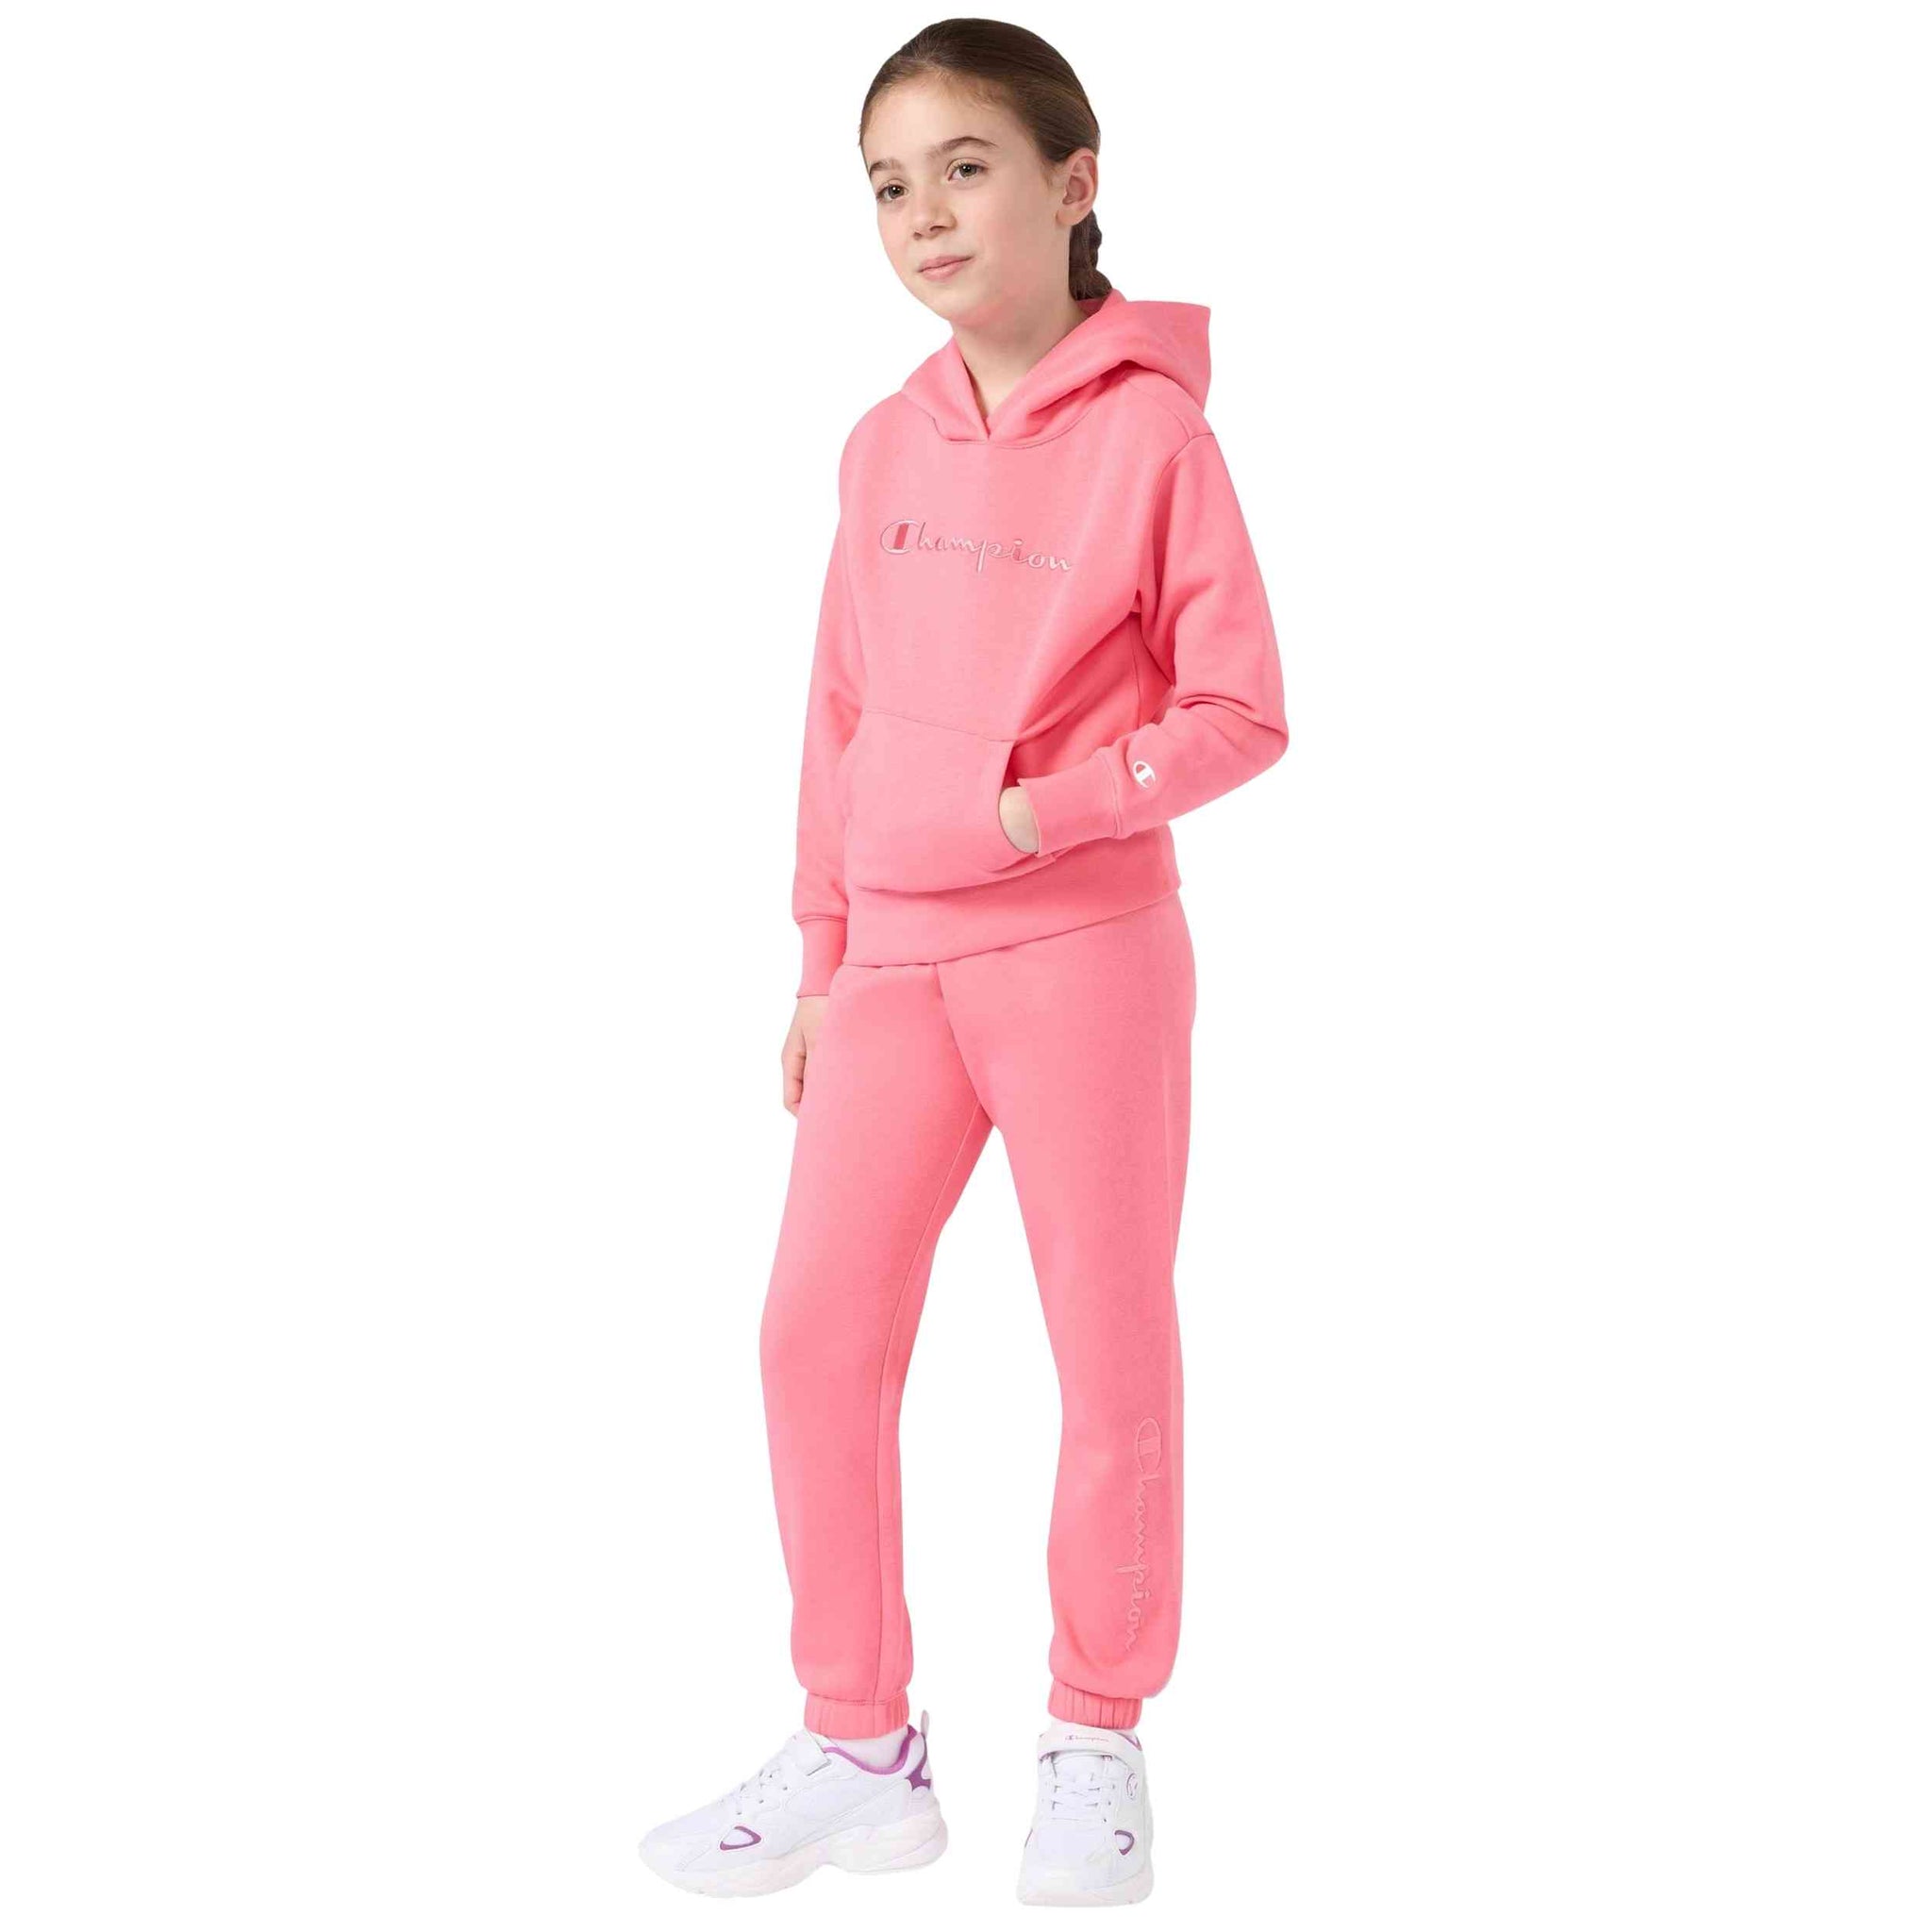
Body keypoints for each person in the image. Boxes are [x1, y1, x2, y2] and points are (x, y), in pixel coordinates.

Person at [639, 20, 1288, 1907]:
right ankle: (859, 1745)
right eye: (887, 184)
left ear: (1075, 184)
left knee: (1106, 1343)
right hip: (893, 975)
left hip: (1083, 952)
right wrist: (821, 953)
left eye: (966, 167)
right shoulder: (879, 443)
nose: (923, 213)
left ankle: (1095, 1734)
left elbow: (1244, 713)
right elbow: (835, 710)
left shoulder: (1155, 436)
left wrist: (1029, 815)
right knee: (813, 1335)